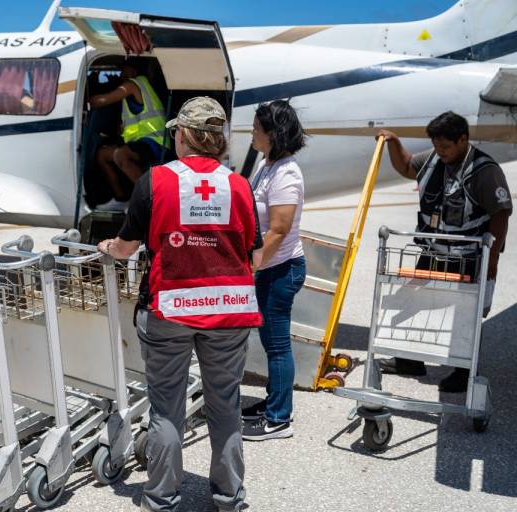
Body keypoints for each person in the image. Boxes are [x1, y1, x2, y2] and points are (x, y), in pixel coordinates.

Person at [97, 97, 263, 512]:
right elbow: (254, 255)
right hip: (228, 311)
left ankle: (162, 498)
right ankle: (229, 498)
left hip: (169, 311)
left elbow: (126, 246)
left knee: (166, 408)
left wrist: (108, 247)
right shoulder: (240, 185)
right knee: (224, 405)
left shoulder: (154, 181)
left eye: (175, 132)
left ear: (186, 135)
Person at [376, 111, 511, 392]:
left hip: (468, 258)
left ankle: (463, 371)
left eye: (446, 147)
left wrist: (493, 259)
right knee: (411, 301)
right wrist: (393, 141)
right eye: (437, 146)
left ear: (463, 139)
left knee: (466, 313)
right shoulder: (435, 160)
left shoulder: (484, 171)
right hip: (434, 253)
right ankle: (409, 360)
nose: (441, 152)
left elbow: (501, 214)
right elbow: (405, 166)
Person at [240, 100, 308, 441]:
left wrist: (252, 266)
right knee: (270, 341)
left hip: (283, 269)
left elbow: (279, 230)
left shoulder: (286, 173)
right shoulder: (269, 165)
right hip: (271, 268)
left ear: (273, 133)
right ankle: (272, 403)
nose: (252, 132)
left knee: (278, 345)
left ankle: (280, 419)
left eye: (256, 128)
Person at [90, 60, 166, 211]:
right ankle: (121, 199)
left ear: (134, 71)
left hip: (154, 143)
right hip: (139, 143)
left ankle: (149, 201)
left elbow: (103, 100)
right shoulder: (136, 89)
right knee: (102, 155)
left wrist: (89, 99)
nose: (122, 74)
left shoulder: (132, 84)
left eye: (125, 69)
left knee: (121, 155)